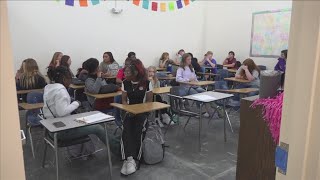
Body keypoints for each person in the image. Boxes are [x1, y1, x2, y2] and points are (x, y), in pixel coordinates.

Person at [42, 66, 107, 145]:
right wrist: (77, 103)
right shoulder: (61, 91)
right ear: (64, 79)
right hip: (61, 131)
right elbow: (61, 112)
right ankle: (117, 149)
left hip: (51, 128)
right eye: (70, 79)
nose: (71, 81)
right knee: (98, 127)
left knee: (86, 120)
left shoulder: (49, 88)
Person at [120, 59, 153, 176]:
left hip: (142, 113)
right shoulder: (125, 82)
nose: (125, 74)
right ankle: (128, 159)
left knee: (138, 129)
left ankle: (135, 159)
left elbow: (149, 102)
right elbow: (124, 100)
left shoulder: (147, 83)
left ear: (136, 73)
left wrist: (138, 111)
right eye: (125, 72)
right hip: (129, 112)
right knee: (126, 129)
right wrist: (129, 109)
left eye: (128, 72)